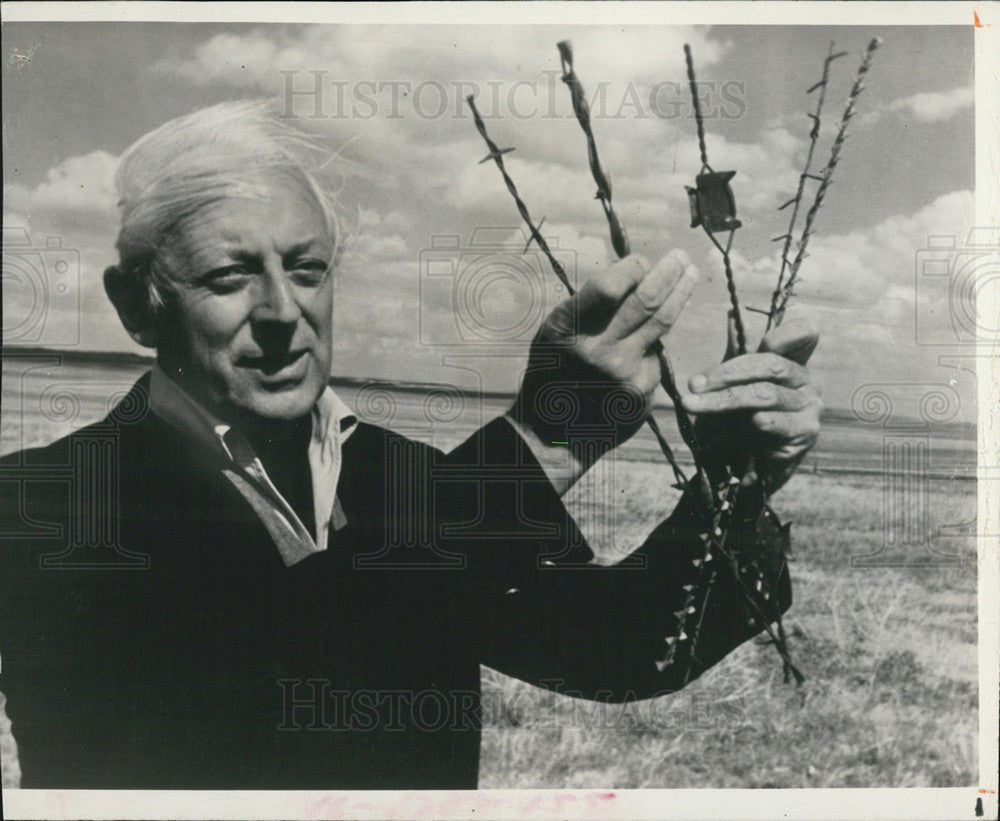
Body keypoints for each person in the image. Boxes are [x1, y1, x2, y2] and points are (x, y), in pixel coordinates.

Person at [0, 101, 821, 789]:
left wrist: (733, 486)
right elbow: (283, 672)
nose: (284, 311)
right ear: (136, 308)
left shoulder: (412, 481)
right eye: (229, 277)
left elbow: (620, 648)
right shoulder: (43, 509)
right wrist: (537, 448)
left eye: (308, 269)